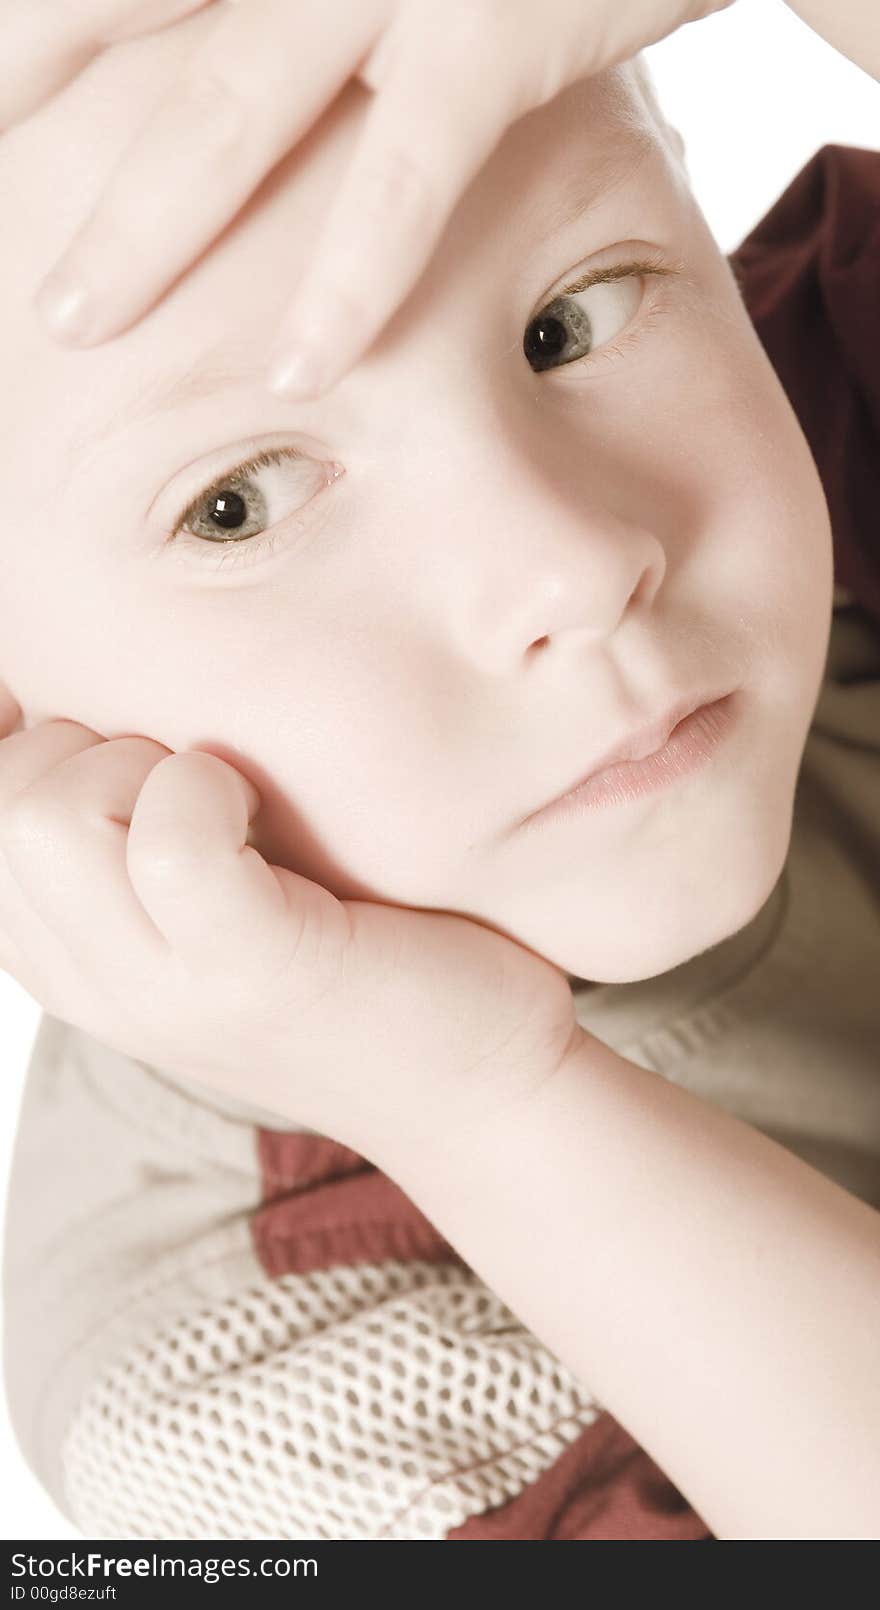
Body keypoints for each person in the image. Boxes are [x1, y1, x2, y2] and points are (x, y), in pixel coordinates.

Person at [1, 1, 878, 1540]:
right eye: (238, 503)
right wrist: (487, 1102)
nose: (577, 565)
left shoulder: (844, 387)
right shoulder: (241, 1408)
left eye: (572, 319)